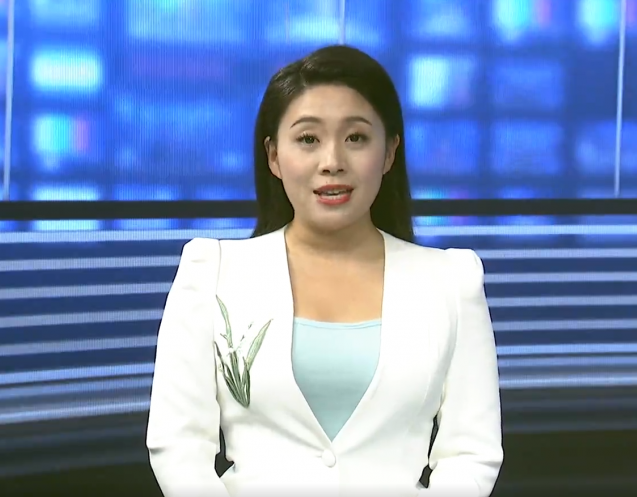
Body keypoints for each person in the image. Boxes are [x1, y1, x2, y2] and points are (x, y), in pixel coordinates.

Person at [146, 44, 503, 497]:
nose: (332, 161)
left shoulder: (451, 281)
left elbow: (470, 453)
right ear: (274, 156)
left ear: (389, 152)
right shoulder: (211, 273)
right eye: (308, 139)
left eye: (356, 138)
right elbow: (178, 446)